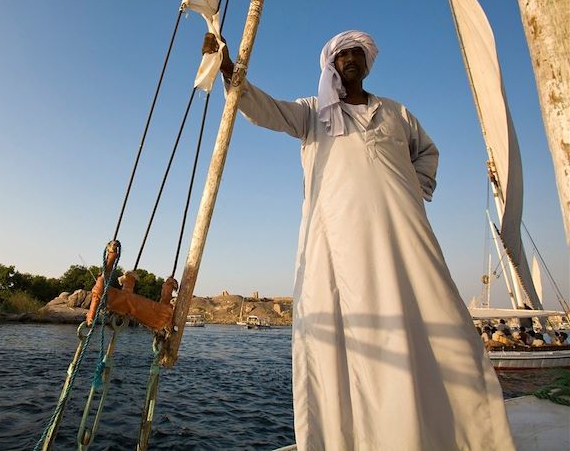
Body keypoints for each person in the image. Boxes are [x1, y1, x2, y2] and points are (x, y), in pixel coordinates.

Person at [203, 30, 514, 450]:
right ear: (331, 64)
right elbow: (264, 110)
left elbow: (428, 154)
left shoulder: (396, 113)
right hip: (338, 244)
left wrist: (409, 190)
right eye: (342, 53)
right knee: (349, 339)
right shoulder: (315, 113)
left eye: (358, 52)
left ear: (367, 63)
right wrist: (226, 67)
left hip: (405, 237)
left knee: (440, 321)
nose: (350, 57)